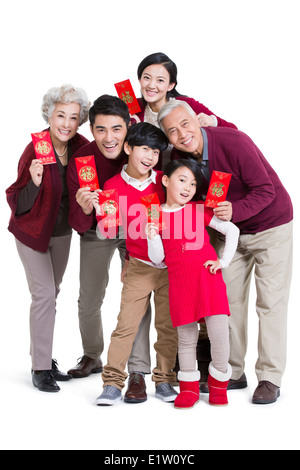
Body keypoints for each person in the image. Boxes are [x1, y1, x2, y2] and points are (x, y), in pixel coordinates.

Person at [157, 99, 293, 404]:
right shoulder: (180, 157)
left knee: (270, 304)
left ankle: (270, 377)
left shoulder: (234, 142)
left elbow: (266, 189)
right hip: (229, 232)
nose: (182, 133)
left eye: (185, 124)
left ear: (198, 120)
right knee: (226, 302)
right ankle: (232, 372)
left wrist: (236, 210)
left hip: (270, 226)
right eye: (173, 131)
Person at [66, 96, 153, 402]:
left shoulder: (138, 150)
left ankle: (139, 370)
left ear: (128, 127)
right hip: (96, 231)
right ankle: (92, 356)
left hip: (135, 229)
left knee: (138, 295)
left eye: (116, 129)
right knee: (89, 297)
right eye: (100, 129)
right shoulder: (83, 159)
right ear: (91, 129)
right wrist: (82, 206)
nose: (109, 137)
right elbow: (77, 224)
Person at [6, 84, 90, 392]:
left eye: (73, 117)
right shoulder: (36, 147)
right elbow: (18, 200)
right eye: (60, 115)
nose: (66, 123)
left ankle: (41, 354)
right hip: (31, 233)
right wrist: (36, 182)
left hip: (61, 234)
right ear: (49, 115)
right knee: (43, 295)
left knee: (51, 293)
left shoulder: (81, 145)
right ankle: (40, 367)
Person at [95, 122, 178, 406]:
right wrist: (100, 215)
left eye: (156, 151)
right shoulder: (112, 186)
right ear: (128, 148)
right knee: (125, 326)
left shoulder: (164, 181)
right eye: (145, 149)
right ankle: (112, 382)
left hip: (170, 268)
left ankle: (165, 379)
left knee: (167, 327)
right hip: (139, 266)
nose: (151, 156)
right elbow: (110, 230)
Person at [146, 159, 239, 407]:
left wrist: (224, 261)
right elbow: (158, 260)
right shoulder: (155, 214)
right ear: (166, 181)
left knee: (219, 334)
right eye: (182, 179)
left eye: (193, 183)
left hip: (208, 280)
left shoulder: (198, 209)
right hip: (180, 283)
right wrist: (152, 237)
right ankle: (189, 389)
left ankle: (220, 385)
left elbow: (232, 231)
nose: (188, 187)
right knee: (186, 339)